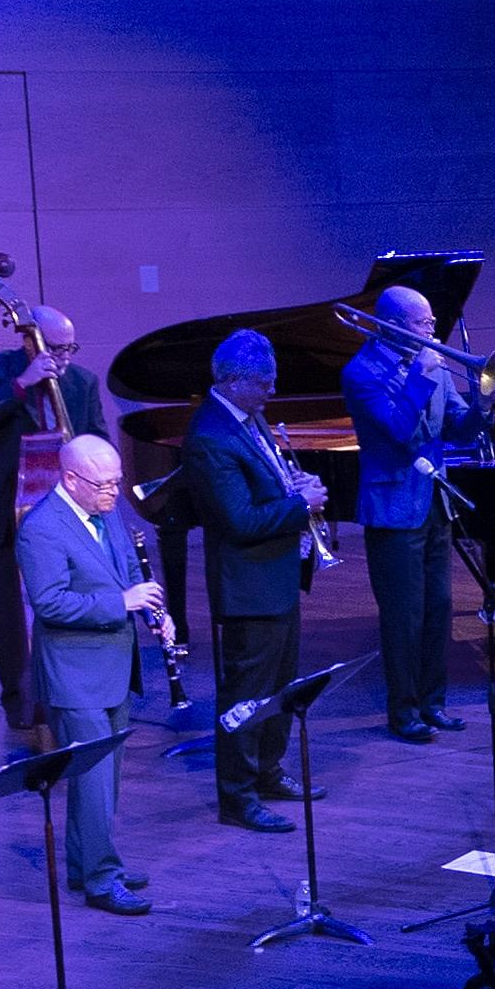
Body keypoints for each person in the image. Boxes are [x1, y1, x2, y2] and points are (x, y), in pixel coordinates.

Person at [16, 434, 165, 915]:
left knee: (102, 777)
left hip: (114, 666)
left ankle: (88, 863)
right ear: (71, 478)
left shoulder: (106, 511)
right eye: (104, 484)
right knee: (95, 776)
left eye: (117, 482)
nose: (114, 492)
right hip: (74, 674)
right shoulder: (41, 529)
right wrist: (121, 603)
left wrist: (152, 611)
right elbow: (50, 602)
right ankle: (102, 880)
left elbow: (125, 572)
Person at [0, 303, 113, 751]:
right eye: (56, 347)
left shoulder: (82, 382)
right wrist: (21, 387)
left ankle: (71, 696)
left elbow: (98, 437)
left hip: (64, 509)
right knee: (12, 612)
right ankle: (21, 705)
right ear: (29, 341)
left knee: (69, 599)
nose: (64, 357)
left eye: (70, 348)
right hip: (6, 508)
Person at [183, 330, 319, 832]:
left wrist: (294, 487)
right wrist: (300, 505)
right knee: (246, 698)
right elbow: (239, 522)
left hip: (275, 579)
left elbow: (267, 490)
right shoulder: (210, 438)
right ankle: (236, 798)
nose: (271, 391)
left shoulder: (247, 415)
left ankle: (267, 772)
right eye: (264, 382)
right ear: (235, 381)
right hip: (248, 588)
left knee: (280, 688)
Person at [342, 282, 483, 742]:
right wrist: (423, 375)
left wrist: (484, 403)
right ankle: (403, 712)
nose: (434, 329)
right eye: (425, 323)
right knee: (403, 617)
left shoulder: (434, 367)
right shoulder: (361, 372)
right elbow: (400, 431)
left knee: (438, 609)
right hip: (393, 510)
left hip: (434, 504)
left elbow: (459, 429)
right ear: (396, 326)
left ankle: (433, 703)